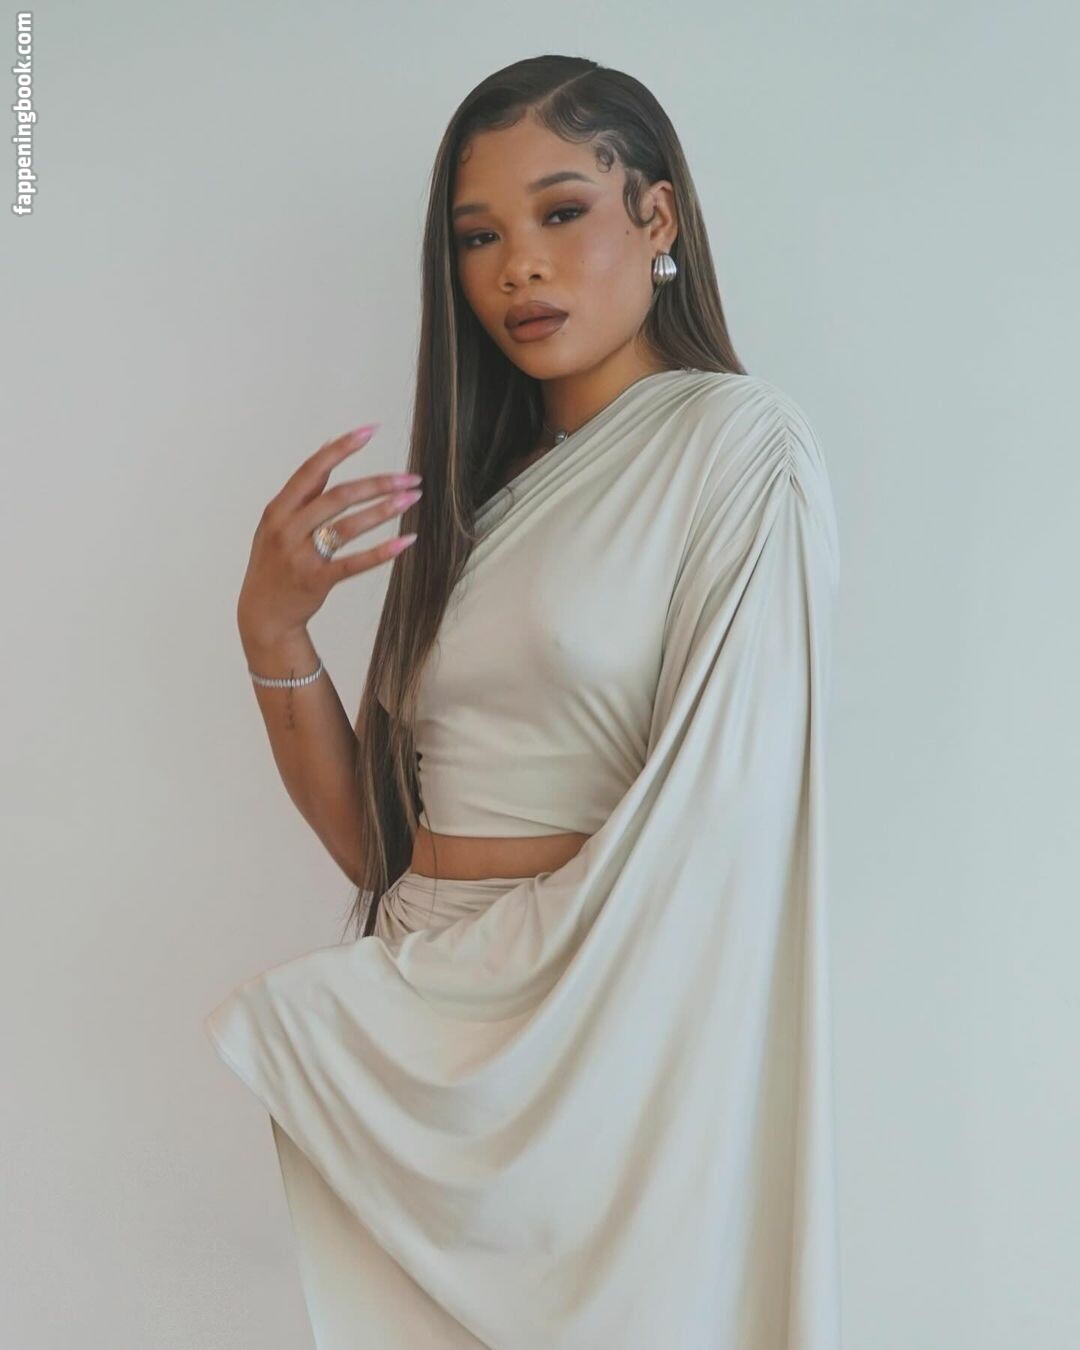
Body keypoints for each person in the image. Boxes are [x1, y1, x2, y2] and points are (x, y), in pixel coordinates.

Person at [206, 54, 843, 1349]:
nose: (518, 268)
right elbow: (386, 849)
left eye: (562, 212)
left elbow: (721, 827)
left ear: (657, 216)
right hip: (426, 1025)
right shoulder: (486, 499)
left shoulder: (737, 449)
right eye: (478, 236)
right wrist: (272, 632)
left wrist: (454, 999)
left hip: (590, 1044)